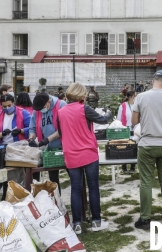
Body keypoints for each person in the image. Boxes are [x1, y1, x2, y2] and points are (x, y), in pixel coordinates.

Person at [57, 83, 111, 234]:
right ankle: (96, 221)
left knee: (75, 188)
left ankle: (77, 223)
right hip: (88, 152)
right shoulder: (84, 108)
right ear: (81, 95)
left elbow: (61, 133)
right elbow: (102, 120)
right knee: (93, 186)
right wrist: (109, 113)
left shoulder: (61, 112)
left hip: (70, 154)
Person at [131, 70, 162, 229]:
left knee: (146, 181)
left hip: (147, 144)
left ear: (153, 81)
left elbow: (134, 121)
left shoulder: (141, 97)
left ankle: (145, 218)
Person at [0, 94, 31, 199]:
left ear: (13, 103)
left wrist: (21, 131)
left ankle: (17, 195)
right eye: (4, 106)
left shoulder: (23, 113)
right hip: (4, 148)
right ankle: (6, 196)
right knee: (5, 175)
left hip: (19, 148)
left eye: (9, 105)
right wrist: (1, 134)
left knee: (17, 174)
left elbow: (31, 128)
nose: (7, 108)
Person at [28, 92, 67, 191]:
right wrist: (31, 138)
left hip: (65, 147)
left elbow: (63, 128)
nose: (41, 111)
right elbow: (32, 128)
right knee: (53, 178)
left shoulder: (61, 105)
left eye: (43, 108)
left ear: (48, 101)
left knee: (73, 174)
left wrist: (46, 140)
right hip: (49, 150)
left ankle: (80, 201)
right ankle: (57, 202)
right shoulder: (37, 110)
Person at [117, 91, 137, 174]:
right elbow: (118, 119)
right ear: (131, 96)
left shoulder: (137, 105)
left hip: (136, 130)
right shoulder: (123, 106)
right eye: (135, 96)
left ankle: (133, 167)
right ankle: (124, 166)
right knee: (124, 147)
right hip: (126, 129)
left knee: (134, 147)